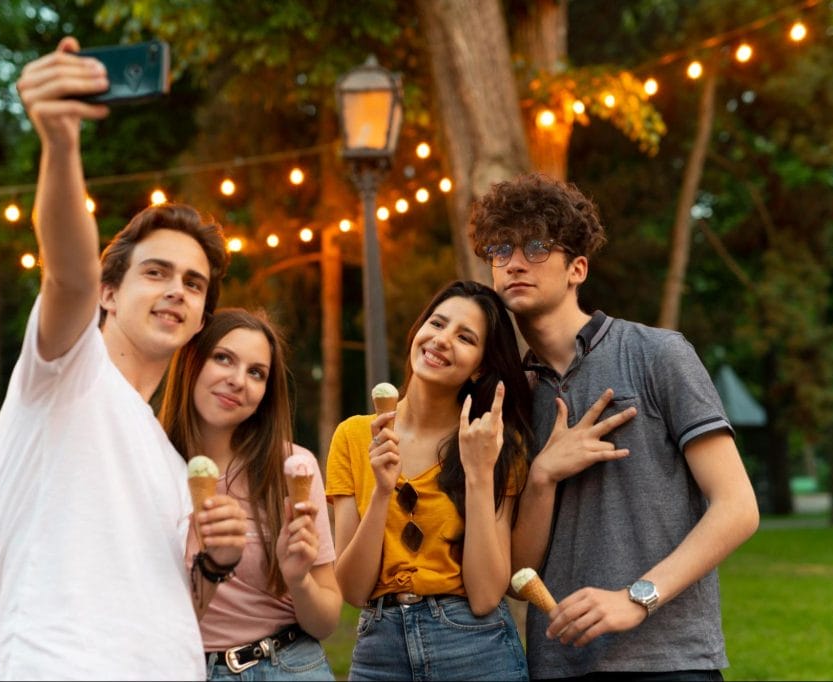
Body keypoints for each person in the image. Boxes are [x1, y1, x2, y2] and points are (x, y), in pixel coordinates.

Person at [0, 37, 247, 681]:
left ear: (200, 319)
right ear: (110, 292)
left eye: (193, 284)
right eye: (156, 272)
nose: (176, 291)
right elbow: (68, 276)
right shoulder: (67, 373)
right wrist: (60, 143)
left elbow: (169, 605)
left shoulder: (172, 459)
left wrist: (215, 563)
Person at [469, 172, 761, 680]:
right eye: (500, 250)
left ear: (577, 268)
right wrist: (541, 477)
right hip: (558, 665)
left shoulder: (656, 354)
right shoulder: (509, 400)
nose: (514, 262)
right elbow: (519, 574)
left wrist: (637, 597)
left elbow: (737, 508)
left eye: (536, 246)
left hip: (670, 661)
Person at [326, 280, 533, 681]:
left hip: (473, 648)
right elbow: (352, 590)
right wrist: (383, 491)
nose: (441, 340)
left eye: (465, 337)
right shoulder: (353, 436)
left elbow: (487, 593)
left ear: (481, 366)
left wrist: (477, 474)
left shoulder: (496, 444)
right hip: (378, 650)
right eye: (436, 324)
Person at [160, 308, 342, 680]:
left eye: (256, 372)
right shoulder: (148, 462)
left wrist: (299, 579)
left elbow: (326, 622)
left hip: (290, 665)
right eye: (223, 358)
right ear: (191, 362)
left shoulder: (292, 467)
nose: (238, 380)